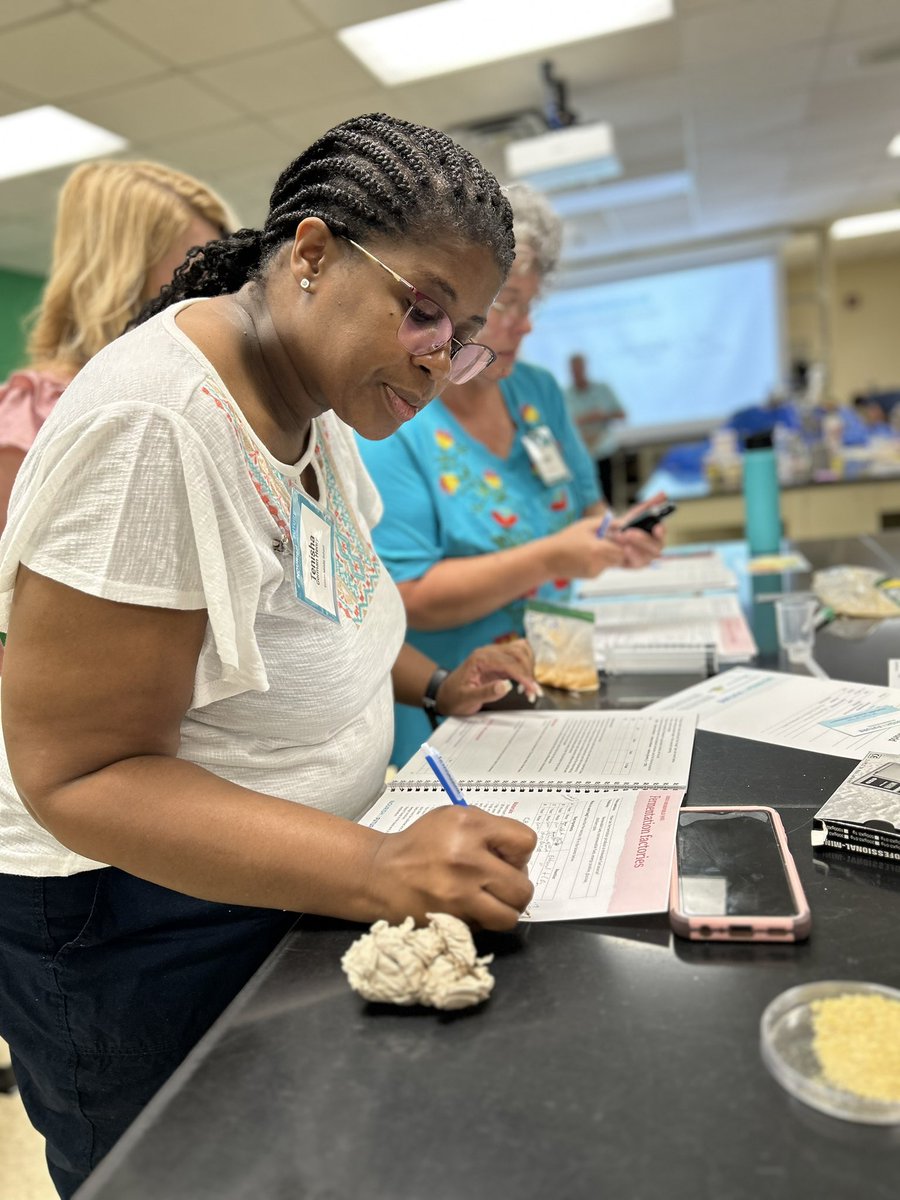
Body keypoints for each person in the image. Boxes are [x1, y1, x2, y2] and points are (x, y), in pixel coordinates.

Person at [0, 113, 539, 1199]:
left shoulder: (320, 390)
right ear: (310, 253)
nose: (440, 359)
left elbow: (325, 601)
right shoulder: (156, 423)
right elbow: (81, 774)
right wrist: (373, 868)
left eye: (464, 333)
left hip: (270, 882)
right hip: (131, 922)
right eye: (423, 310)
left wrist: (434, 682)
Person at [358, 184, 666, 768]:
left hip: (552, 673)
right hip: (453, 708)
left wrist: (618, 537)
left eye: (530, 306)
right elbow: (407, 597)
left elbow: (587, 512)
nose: (523, 327)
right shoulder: (397, 415)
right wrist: (551, 557)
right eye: (507, 305)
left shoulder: (538, 392)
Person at [0, 159, 234, 529]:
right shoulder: (31, 417)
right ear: (122, 276)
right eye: (193, 272)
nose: (214, 295)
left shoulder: (196, 399)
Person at [564, 352, 627, 505]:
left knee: (606, 494)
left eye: (580, 369)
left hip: (602, 450)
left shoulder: (602, 389)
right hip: (579, 453)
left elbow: (621, 414)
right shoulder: (564, 394)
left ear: (585, 368)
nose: (577, 373)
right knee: (584, 497)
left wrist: (602, 415)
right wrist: (583, 419)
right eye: (574, 370)